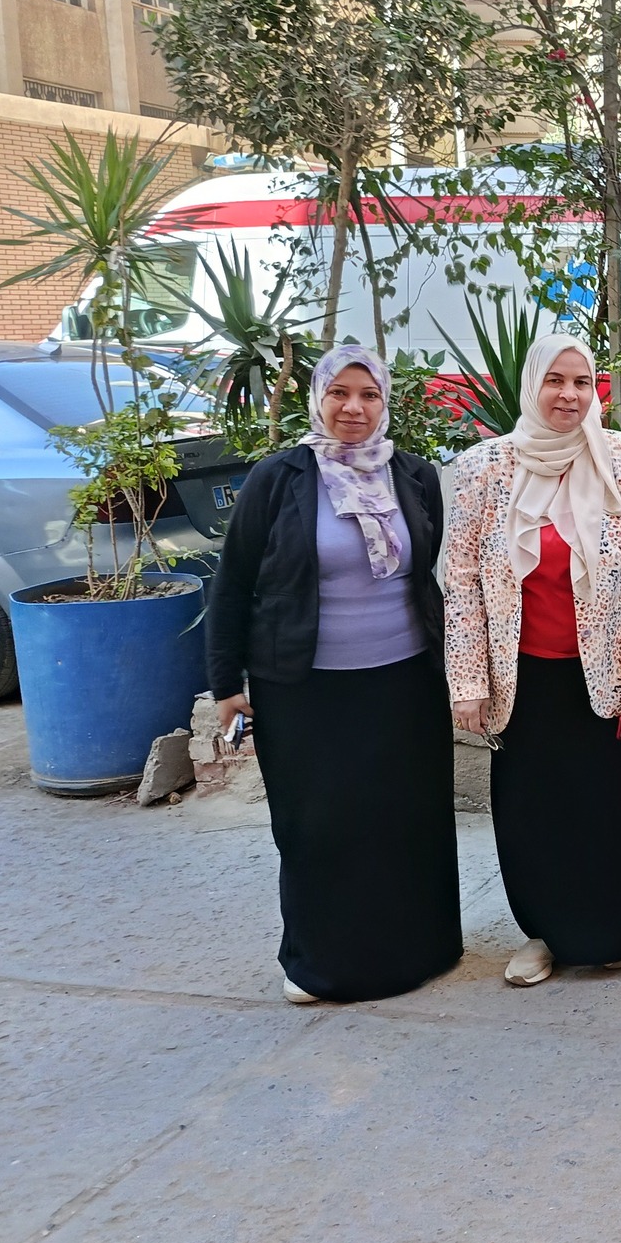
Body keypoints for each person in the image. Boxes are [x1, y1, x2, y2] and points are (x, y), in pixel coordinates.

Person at [207, 347, 461, 1004]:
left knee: (405, 821)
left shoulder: (413, 475)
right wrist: (226, 685)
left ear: (385, 403)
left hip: (405, 682)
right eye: (339, 393)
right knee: (317, 826)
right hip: (304, 689)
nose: (354, 407)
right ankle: (319, 963)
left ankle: (419, 951)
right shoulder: (278, 478)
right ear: (317, 398)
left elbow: (424, 571)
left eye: (369, 395)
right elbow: (232, 584)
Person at [443, 332, 621, 987]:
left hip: (606, 675)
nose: (569, 395)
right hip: (524, 678)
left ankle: (619, 928)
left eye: (581, 382)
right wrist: (467, 681)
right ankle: (544, 933)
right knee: (535, 813)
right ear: (532, 386)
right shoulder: (485, 467)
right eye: (555, 380)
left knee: (612, 806)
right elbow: (460, 582)